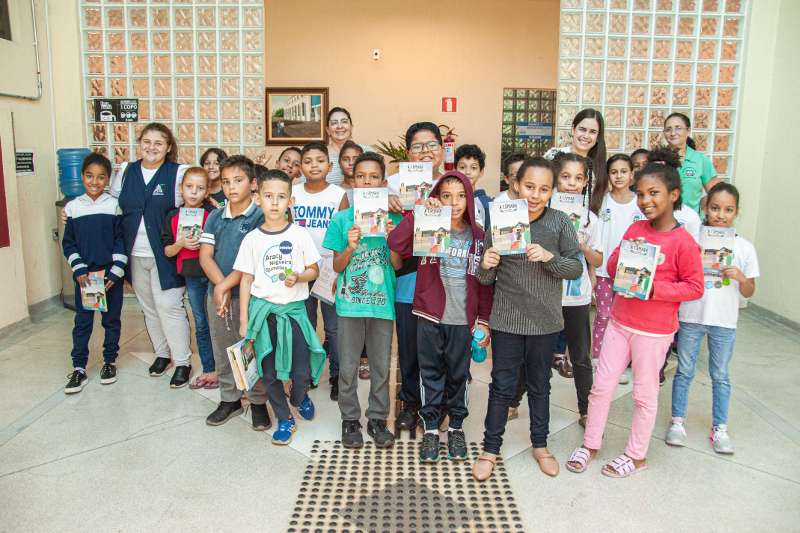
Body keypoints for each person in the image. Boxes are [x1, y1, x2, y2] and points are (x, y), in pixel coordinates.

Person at [565, 146, 704, 478]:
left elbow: (694, 287)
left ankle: (636, 455)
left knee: (644, 395)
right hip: (620, 321)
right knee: (601, 386)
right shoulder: (636, 229)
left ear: (673, 194)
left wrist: (655, 288)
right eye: (641, 194)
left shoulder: (684, 242)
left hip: (654, 332)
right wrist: (625, 255)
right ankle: (591, 443)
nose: (645, 201)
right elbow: (613, 264)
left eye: (653, 193)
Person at [473, 157, 583, 480]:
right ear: (516, 184)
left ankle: (540, 445)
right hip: (507, 320)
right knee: (501, 386)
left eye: (544, 189)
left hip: (545, 321)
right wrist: (488, 263)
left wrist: (550, 258)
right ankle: (490, 448)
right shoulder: (502, 220)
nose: (535, 195)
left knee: (539, 385)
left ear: (552, 191)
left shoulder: (560, 222)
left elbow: (575, 268)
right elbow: (483, 279)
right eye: (529, 186)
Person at [388, 171, 493, 462]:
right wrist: (418, 213)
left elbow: (485, 283)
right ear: (438, 198)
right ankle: (432, 428)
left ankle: (456, 426)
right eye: (447, 195)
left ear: (470, 198)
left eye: (461, 196)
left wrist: (483, 319)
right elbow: (395, 243)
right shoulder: (428, 226)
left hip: (463, 321)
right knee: (431, 375)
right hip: (429, 315)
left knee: (459, 376)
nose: (455, 202)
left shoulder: (479, 237)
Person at [234, 168, 326, 445]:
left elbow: (314, 270)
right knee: (269, 372)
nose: (275, 203)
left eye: (281, 197)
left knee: (301, 372)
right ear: (258, 198)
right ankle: (284, 418)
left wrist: (299, 277)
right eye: (268, 196)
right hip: (263, 316)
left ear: (290, 201)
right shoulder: (252, 239)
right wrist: (243, 320)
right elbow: (246, 279)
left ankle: (299, 395)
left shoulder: (299, 235)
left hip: (294, 313)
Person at [667, 183, 758, 454]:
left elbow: (750, 290)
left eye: (728, 210)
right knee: (684, 371)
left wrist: (740, 276)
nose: (720, 215)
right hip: (692, 316)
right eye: (715, 208)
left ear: (736, 212)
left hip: (724, 321)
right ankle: (677, 422)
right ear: (705, 209)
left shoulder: (744, 248)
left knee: (720, 375)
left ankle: (720, 427)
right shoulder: (692, 243)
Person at [323, 152, 402, 448]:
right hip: (350, 304)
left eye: (373, 177)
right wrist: (350, 245)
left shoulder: (393, 218)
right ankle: (349, 419)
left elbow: (395, 265)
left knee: (381, 365)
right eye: (360, 177)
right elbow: (337, 266)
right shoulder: (342, 219)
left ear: (383, 183)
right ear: (352, 182)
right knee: (347, 365)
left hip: (382, 303)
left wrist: (393, 240)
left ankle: (378, 418)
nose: (366, 181)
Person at [111, 123, 194, 388]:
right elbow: (110, 204)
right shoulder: (126, 171)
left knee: (169, 307)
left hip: (166, 255)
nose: (151, 147)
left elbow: (195, 201)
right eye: (146, 141)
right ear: (139, 144)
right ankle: (162, 355)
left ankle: (182, 361)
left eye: (158, 143)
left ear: (168, 148)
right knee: (149, 309)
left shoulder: (177, 173)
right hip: (134, 254)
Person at [199, 156, 271, 430]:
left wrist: (224, 285)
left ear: (253, 184)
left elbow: (252, 261)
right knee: (222, 346)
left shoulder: (260, 216)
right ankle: (229, 399)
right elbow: (206, 256)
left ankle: (257, 401)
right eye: (226, 181)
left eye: (238, 181)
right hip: (217, 295)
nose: (231, 187)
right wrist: (220, 287)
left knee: (253, 348)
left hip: (250, 296)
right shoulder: (215, 216)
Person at [386, 122, 446, 431]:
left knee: (437, 348)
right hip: (408, 277)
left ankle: (437, 403)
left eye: (432, 144)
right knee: (408, 347)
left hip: (442, 279)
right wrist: (386, 202)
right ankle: (410, 401)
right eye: (418, 146)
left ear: (442, 150)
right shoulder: (393, 184)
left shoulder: (452, 185)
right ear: (408, 153)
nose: (425, 151)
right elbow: (368, 208)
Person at [63, 153, 127, 394]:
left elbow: (121, 240)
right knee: (83, 323)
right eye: (89, 176)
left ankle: (109, 362)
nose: (94, 182)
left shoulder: (113, 205)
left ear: (108, 180)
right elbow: (68, 243)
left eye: (101, 177)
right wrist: (79, 267)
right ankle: (79, 367)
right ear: (82, 176)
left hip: (110, 278)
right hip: (86, 279)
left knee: (111, 321)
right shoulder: (73, 207)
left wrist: (116, 271)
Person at [291, 142, 349, 400]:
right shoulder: (292, 193)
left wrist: (341, 271)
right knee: (305, 325)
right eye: (308, 160)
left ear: (330, 165)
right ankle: (306, 374)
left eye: (320, 160)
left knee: (334, 328)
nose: (314, 165)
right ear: (300, 166)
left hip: (329, 269)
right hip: (301, 270)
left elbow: (345, 236)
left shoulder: (338, 195)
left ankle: (336, 376)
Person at [553, 153, 603, 429]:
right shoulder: (542, 211)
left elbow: (598, 260)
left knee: (581, 356)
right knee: (535, 354)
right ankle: (514, 401)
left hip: (576, 296)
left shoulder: (589, 219)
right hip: (546, 294)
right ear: (556, 178)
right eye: (566, 176)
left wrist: (583, 246)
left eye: (578, 178)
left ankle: (586, 409)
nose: (572, 183)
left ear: (585, 182)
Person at [161, 167, 217, 390]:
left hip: (214, 276)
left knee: (219, 324)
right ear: (181, 188)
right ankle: (209, 368)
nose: (193, 192)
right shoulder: (173, 216)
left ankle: (225, 370)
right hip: (192, 278)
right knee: (202, 325)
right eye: (189, 187)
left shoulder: (212, 213)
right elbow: (167, 251)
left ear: (206, 192)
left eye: (200, 188)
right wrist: (181, 243)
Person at [592, 154, 645, 385]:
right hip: (604, 269)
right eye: (614, 172)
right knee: (603, 315)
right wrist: (593, 270)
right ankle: (597, 359)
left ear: (632, 173)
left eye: (624, 171)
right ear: (608, 175)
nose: (619, 176)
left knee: (624, 319)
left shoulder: (640, 203)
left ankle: (620, 363)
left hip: (631, 271)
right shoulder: (601, 201)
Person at [544, 108, 608, 217]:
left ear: (598, 137)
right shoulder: (554, 155)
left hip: (582, 226)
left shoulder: (599, 168)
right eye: (582, 129)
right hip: (550, 220)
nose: (586, 136)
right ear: (573, 129)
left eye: (592, 132)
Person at [299, 107, 378, 186]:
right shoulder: (318, 155)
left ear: (351, 127)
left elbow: (382, 181)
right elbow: (305, 185)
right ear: (327, 130)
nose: (340, 126)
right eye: (334, 123)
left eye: (344, 121)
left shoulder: (367, 152)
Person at [663, 112, 721, 213]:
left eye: (678, 128)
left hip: (691, 224)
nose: (673, 133)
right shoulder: (657, 159)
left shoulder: (701, 160)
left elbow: (716, 194)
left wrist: (700, 207)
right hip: (662, 222)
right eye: (668, 129)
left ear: (688, 131)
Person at [454, 144, 490, 229]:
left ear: (481, 172)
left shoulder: (487, 202)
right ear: (455, 170)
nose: (467, 172)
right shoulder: (449, 199)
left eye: (473, 168)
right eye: (462, 167)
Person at [338, 140, 363, 207]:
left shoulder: (371, 190)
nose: (351, 163)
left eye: (355, 159)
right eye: (346, 159)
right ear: (339, 162)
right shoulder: (334, 191)